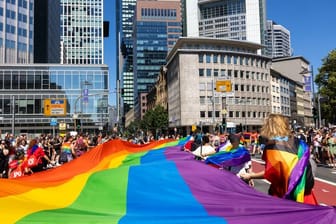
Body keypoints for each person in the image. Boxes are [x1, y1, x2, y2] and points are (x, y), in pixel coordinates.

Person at [240, 114, 317, 205]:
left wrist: (251, 176)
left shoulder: (272, 147)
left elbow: (271, 173)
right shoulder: (299, 142)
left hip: (283, 196)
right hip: (304, 193)